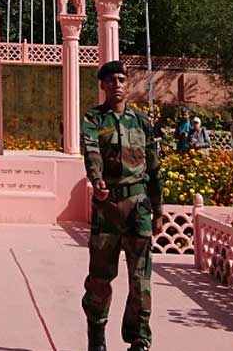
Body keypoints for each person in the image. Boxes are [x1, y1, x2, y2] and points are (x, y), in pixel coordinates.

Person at [81, 60, 164, 351]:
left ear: (127, 84)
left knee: (141, 280)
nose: (116, 84)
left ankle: (139, 339)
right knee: (101, 279)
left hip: (139, 207)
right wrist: (97, 180)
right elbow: (91, 151)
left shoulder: (142, 122)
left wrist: (158, 210)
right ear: (103, 85)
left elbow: (154, 168)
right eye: (111, 80)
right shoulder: (94, 119)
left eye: (121, 79)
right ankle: (96, 332)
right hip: (108, 207)